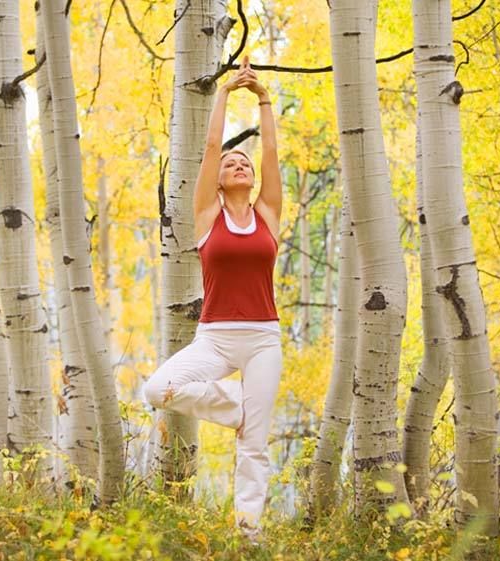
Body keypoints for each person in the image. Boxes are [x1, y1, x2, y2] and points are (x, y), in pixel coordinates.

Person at [143, 56, 283, 540]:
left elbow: (270, 155)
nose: (238, 164)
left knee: (254, 443)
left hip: (264, 338)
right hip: (214, 339)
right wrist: (224, 92)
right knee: (156, 390)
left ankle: (249, 532)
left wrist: (263, 99)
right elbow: (207, 150)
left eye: (242, 162)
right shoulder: (208, 217)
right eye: (230, 163)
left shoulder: (267, 214)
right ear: (219, 180)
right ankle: (235, 403)